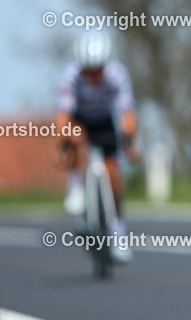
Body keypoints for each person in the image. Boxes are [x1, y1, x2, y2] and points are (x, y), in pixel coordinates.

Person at [56, 31, 140, 263]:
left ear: (106, 64)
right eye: (88, 70)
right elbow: (64, 115)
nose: (93, 75)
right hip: (80, 119)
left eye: (98, 70)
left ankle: (118, 236)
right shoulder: (71, 76)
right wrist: (64, 143)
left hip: (104, 121)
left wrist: (129, 141)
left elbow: (127, 113)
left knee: (113, 175)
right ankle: (75, 186)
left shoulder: (117, 75)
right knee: (72, 136)